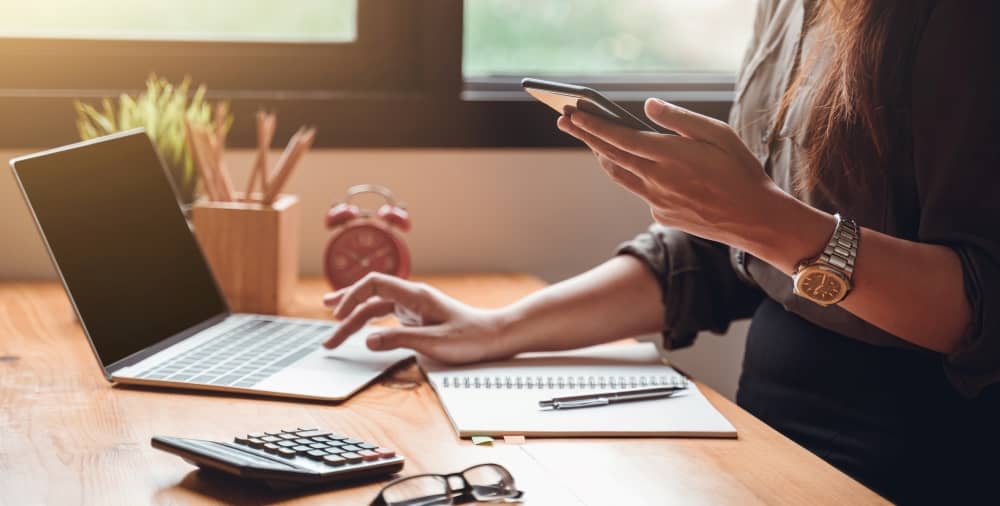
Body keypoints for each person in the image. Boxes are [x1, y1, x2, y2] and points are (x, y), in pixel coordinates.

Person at [322, 1, 999, 502]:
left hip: (918, 459)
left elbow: (980, 308)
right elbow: (722, 258)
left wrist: (767, 222)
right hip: (768, 442)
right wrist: (494, 328)